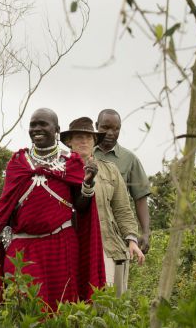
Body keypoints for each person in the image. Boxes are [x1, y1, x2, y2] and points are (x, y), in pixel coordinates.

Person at [0, 108, 106, 311]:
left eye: (43, 124)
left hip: (60, 245)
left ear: (57, 130)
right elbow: (5, 206)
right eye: (33, 125)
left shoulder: (71, 163)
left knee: (59, 310)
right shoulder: (17, 163)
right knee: (22, 309)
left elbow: (81, 207)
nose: (37, 129)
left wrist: (87, 183)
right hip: (22, 248)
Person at [60, 117, 145, 295]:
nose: (84, 141)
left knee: (108, 306)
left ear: (95, 141)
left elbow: (122, 209)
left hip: (107, 246)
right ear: (69, 142)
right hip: (70, 247)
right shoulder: (59, 170)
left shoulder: (110, 170)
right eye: (78, 137)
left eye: (89, 137)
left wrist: (131, 239)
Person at [95, 109, 153, 254]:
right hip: (89, 229)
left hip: (118, 234)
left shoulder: (129, 159)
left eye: (116, 129)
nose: (110, 133)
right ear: (97, 126)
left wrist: (145, 233)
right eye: (105, 127)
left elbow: (140, 198)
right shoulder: (83, 154)